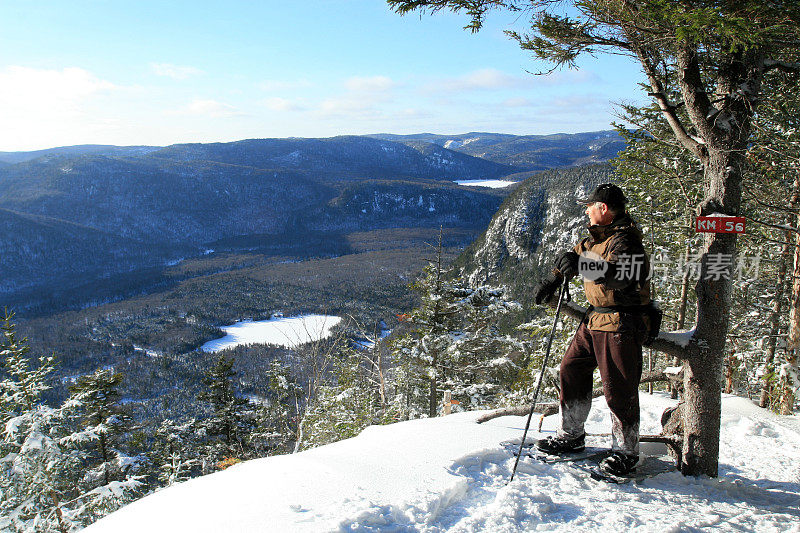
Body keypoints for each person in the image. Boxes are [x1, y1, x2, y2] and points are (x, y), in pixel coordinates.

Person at [532, 183, 651, 476]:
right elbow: (572, 259)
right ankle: (571, 436)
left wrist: (581, 264)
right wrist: (553, 279)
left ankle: (625, 452)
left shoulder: (626, 241)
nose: (586, 209)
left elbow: (622, 276)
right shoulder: (596, 239)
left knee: (618, 388)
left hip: (621, 321)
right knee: (571, 370)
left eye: (590, 205)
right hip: (595, 319)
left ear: (604, 209)